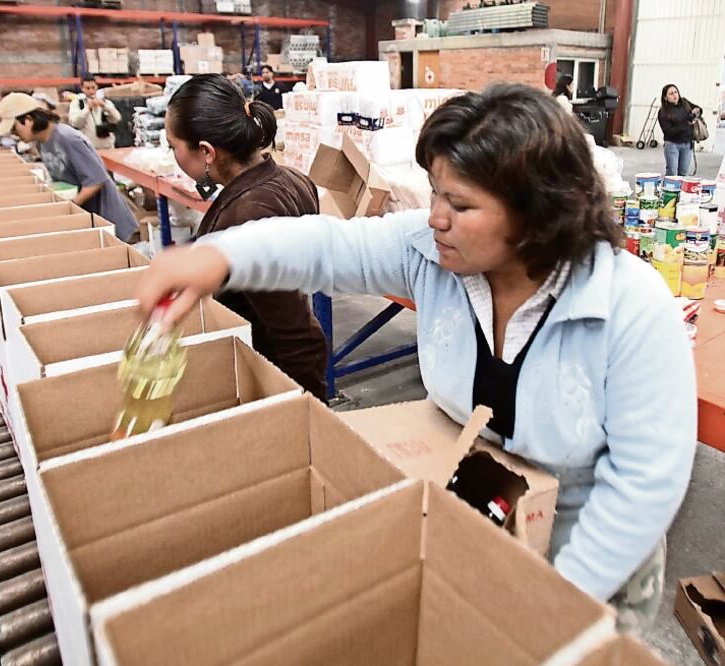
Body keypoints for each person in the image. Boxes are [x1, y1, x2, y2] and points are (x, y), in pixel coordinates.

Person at [137, 83, 696, 633]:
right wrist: (218, 257)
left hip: (590, 562)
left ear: (537, 211)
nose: (435, 217)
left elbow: (643, 483)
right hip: (487, 523)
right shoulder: (429, 254)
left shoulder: (628, 307)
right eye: (434, 192)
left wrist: (551, 604)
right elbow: (328, 246)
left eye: (460, 203)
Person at [164, 74, 328, 399]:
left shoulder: (249, 214)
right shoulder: (291, 179)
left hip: (269, 377)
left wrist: (310, 412)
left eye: (173, 147)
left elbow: (294, 332)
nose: (173, 156)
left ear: (206, 151)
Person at [0, 92, 137, 241]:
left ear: (28, 120)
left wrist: (69, 207)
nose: (14, 134)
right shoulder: (41, 141)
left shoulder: (68, 138)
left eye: (14, 128)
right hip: (87, 219)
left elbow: (96, 181)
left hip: (107, 218)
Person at [658, 84, 702, 176]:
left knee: (683, 173)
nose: (675, 95)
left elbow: (699, 109)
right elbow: (668, 132)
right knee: (672, 173)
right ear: (665, 97)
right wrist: (686, 122)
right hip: (672, 144)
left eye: (676, 92)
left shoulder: (685, 102)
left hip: (687, 144)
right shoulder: (663, 112)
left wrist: (696, 112)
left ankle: (680, 190)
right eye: (671, 94)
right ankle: (669, 190)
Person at [69, 76, 123, 151]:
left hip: (108, 147)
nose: (91, 91)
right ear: (82, 88)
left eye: (93, 87)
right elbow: (75, 123)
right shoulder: (77, 103)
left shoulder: (105, 102)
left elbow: (117, 118)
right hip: (88, 149)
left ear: (97, 87)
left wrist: (104, 106)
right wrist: (87, 109)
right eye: (87, 88)